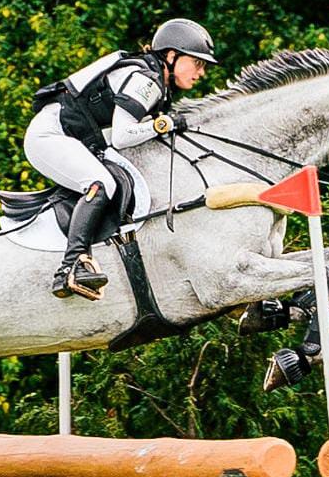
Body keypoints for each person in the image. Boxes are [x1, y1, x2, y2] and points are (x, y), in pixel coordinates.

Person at [24, 18, 218, 298]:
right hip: (50, 137)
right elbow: (124, 137)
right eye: (197, 63)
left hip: (73, 139)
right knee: (101, 183)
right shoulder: (146, 80)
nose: (201, 73)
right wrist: (165, 124)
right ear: (172, 56)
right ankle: (72, 266)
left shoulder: (155, 83)